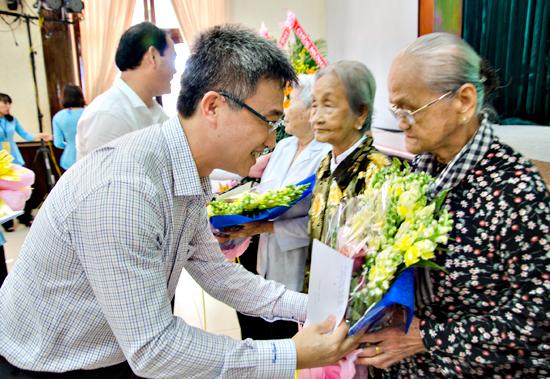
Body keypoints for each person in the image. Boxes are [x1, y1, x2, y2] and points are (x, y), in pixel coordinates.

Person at [0, 24, 365, 378]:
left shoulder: (187, 171)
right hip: (50, 365)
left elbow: (219, 274)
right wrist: (291, 353)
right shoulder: (125, 189)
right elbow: (154, 350)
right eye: (268, 122)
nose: (272, 141)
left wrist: (320, 310)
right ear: (213, 107)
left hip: (111, 350)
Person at [355, 33, 550, 378]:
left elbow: (537, 320)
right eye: (396, 109)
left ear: (464, 101)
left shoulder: (514, 189)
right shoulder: (420, 171)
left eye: (410, 109)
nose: (400, 123)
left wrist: (426, 337)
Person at [224, 74, 332, 340]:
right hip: (266, 265)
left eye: (290, 101)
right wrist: (238, 205)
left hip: (298, 270)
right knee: (263, 336)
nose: (284, 109)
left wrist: (266, 226)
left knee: (289, 344)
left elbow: (327, 223)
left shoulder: (327, 155)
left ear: (311, 110)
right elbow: (265, 193)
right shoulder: (284, 146)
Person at [304, 61, 391, 290]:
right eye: (314, 105)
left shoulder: (377, 171)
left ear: (361, 113)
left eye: (328, 105)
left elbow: (373, 257)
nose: (316, 118)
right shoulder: (325, 164)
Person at [75, 21, 176, 160]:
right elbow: (108, 179)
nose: (175, 70)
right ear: (153, 57)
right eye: (173, 58)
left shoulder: (155, 110)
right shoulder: (107, 115)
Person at [0, 93, 52, 230]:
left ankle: (25, 216)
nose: (8, 106)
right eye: (4, 103)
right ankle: (7, 222)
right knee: (4, 193)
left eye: (9, 103)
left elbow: (25, 135)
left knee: (24, 189)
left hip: (15, 159)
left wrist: (40, 135)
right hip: (1, 163)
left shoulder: (12, 120)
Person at [52, 84, 86, 170]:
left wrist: (69, 144)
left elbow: (58, 143)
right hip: (88, 154)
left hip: (69, 158)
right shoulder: (88, 112)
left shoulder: (58, 116)